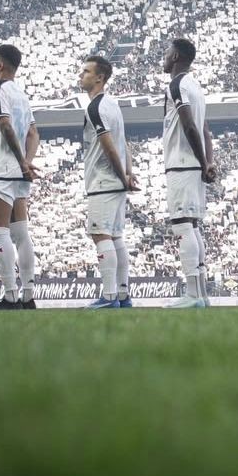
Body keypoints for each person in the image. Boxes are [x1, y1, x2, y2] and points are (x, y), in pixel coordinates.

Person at [161, 38, 218, 309]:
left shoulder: (178, 84)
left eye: (167, 51)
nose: (164, 56)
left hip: (182, 163)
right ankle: (201, 293)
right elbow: (205, 129)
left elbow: (190, 127)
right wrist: (208, 162)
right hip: (194, 165)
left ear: (176, 56)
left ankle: (193, 294)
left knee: (183, 224)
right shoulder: (196, 87)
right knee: (192, 226)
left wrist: (203, 162)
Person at [0, 44, 41, 310]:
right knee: (21, 233)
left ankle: (9, 295)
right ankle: (28, 295)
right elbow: (33, 134)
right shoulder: (21, 93)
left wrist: (20, 162)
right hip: (19, 171)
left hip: (1, 168)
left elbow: (5, 124)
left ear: (1, 65)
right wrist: (27, 163)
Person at [78, 55, 138, 309]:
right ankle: (123, 295)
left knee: (101, 235)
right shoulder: (113, 105)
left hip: (103, 180)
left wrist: (123, 175)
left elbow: (110, 146)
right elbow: (123, 142)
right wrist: (128, 172)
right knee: (115, 237)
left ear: (100, 78)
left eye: (86, 71)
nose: (81, 75)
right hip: (116, 181)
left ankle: (110, 296)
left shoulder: (96, 107)